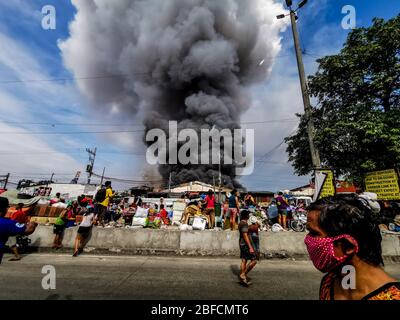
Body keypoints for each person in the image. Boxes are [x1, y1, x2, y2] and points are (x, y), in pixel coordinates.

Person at [305, 194, 400, 300]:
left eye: (313, 233)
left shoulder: (394, 297)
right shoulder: (328, 284)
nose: (307, 240)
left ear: (348, 246)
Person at [0, 197, 37, 264]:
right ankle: (17, 255)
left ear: (18, 206)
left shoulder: (16, 214)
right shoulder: (22, 214)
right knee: (12, 243)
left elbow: (13, 219)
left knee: (12, 243)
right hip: (13, 229)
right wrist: (33, 224)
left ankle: (17, 255)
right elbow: (28, 228)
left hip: (12, 229)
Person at [238, 210, 257, 286]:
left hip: (241, 243)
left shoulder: (241, 223)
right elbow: (245, 235)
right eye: (248, 215)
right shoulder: (244, 224)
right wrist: (250, 247)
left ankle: (243, 279)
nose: (249, 216)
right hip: (245, 244)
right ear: (246, 216)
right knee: (254, 260)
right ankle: (243, 274)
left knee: (244, 260)